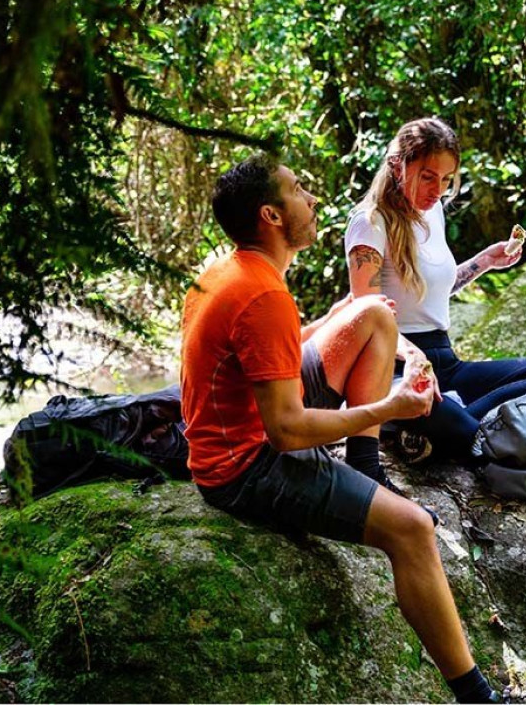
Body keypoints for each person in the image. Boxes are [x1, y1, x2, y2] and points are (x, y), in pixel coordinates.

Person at [180, 154, 501, 703]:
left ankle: (365, 464)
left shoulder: (230, 271)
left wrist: (331, 319)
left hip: (255, 418)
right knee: (414, 529)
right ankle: (476, 696)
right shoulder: (262, 295)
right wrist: (390, 408)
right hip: (242, 466)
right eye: (299, 190)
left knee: (373, 311)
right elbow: (286, 431)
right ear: (271, 216)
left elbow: (264, 359)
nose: (312, 200)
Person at [344, 117, 526, 458]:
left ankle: (432, 428)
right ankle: (420, 421)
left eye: (445, 180)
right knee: (468, 435)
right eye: (428, 177)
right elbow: (363, 311)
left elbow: (433, 290)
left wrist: (484, 261)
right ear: (398, 165)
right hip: (393, 366)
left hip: (445, 362)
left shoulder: (433, 212)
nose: (437, 190)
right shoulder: (370, 222)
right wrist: (412, 357)